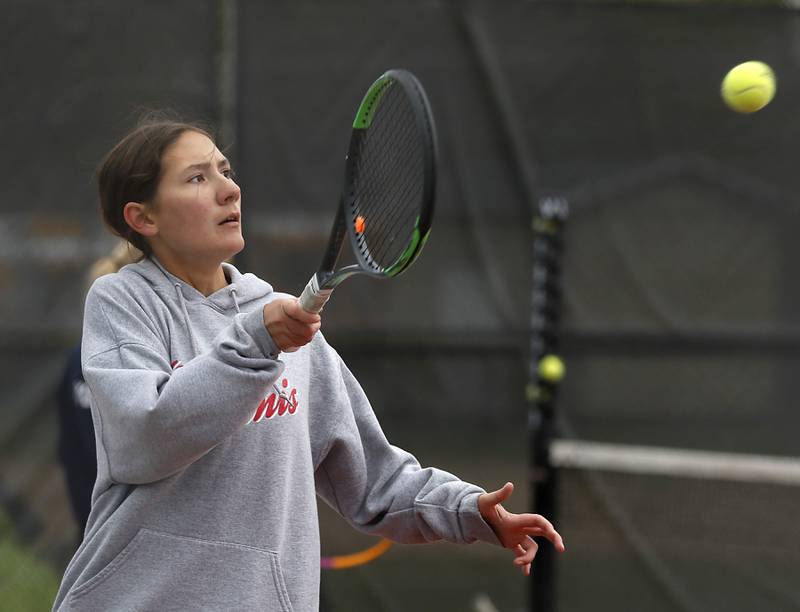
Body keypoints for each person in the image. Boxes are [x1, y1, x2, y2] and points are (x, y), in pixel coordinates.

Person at [52, 117, 564, 611]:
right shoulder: (122, 302)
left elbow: (375, 481)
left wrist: (467, 510)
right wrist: (257, 343)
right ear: (144, 218)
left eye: (225, 171)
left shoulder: (275, 319)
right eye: (196, 178)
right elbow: (146, 438)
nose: (228, 190)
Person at [56, 241, 142, 541]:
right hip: (125, 521)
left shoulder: (76, 359)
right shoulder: (89, 361)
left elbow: (68, 452)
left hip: (99, 521)